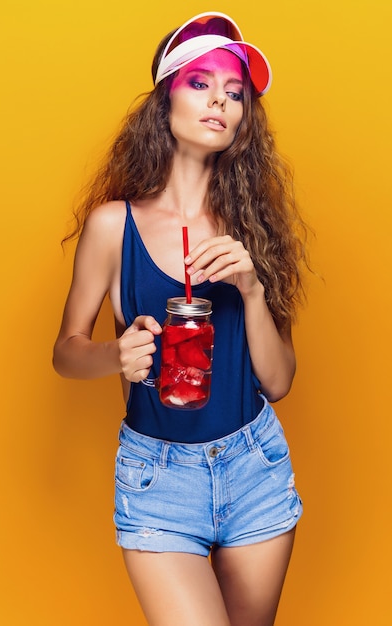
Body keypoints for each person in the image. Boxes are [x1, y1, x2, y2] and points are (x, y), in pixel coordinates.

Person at [53, 12, 310, 626]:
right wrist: (114, 356)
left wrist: (250, 290)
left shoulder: (255, 233)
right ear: (164, 97)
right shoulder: (114, 227)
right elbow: (66, 350)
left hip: (255, 468)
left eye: (235, 91)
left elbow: (278, 382)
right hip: (158, 480)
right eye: (201, 82)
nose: (220, 98)